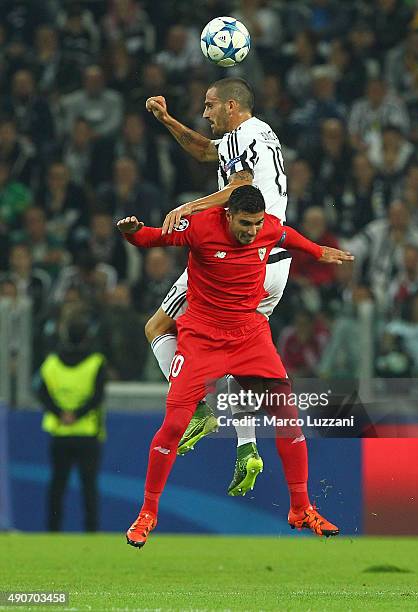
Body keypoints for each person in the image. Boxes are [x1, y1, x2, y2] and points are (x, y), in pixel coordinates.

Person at [117, 184, 353, 548]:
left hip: (249, 334)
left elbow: (287, 235)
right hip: (202, 338)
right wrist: (132, 233)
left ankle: (301, 507)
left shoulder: (268, 227)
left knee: (286, 412)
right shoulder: (200, 227)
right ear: (228, 215)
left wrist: (318, 250)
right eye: (245, 223)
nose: (252, 231)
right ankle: (148, 513)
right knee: (175, 424)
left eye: (257, 224)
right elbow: (151, 239)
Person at [145, 78, 294, 494]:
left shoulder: (243, 134)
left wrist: (191, 206)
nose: (205, 113)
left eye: (210, 106)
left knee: (157, 327)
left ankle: (198, 410)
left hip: (239, 260)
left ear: (232, 106)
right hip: (275, 264)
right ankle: (247, 446)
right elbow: (203, 150)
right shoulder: (259, 134)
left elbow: (240, 189)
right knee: (241, 355)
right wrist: (167, 119)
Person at [37, 316, 107, 532]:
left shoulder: (51, 363)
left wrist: (61, 414)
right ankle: (91, 530)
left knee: (58, 485)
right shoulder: (96, 362)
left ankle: (53, 529)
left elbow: (42, 393)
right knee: (89, 486)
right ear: (87, 337)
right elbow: (98, 396)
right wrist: (77, 414)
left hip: (60, 432)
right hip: (88, 432)